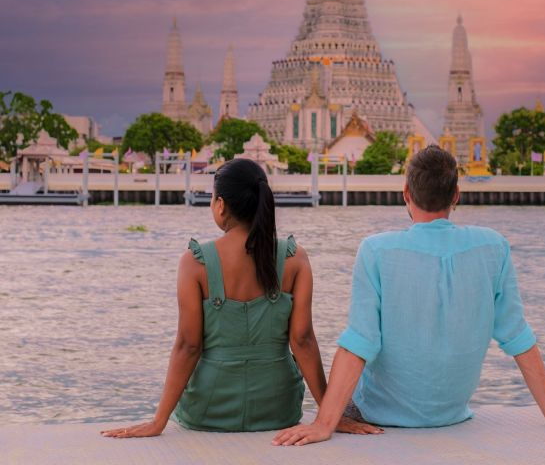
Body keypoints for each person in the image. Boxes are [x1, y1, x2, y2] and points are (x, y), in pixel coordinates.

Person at [274, 146, 545, 446]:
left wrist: (324, 424)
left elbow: (360, 344)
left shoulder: (376, 250)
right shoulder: (493, 246)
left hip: (380, 413)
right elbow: (518, 337)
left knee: (349, 393)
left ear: (406, 193)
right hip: (450, 413)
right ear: (456, 195)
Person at [102, 158, 380, 438]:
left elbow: (188, 346)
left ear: (221, 204)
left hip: (209, 410)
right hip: (277, 408)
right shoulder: (294, 258)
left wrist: (158, 421)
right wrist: (329, 416)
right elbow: (303, 340)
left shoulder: (195, 262)